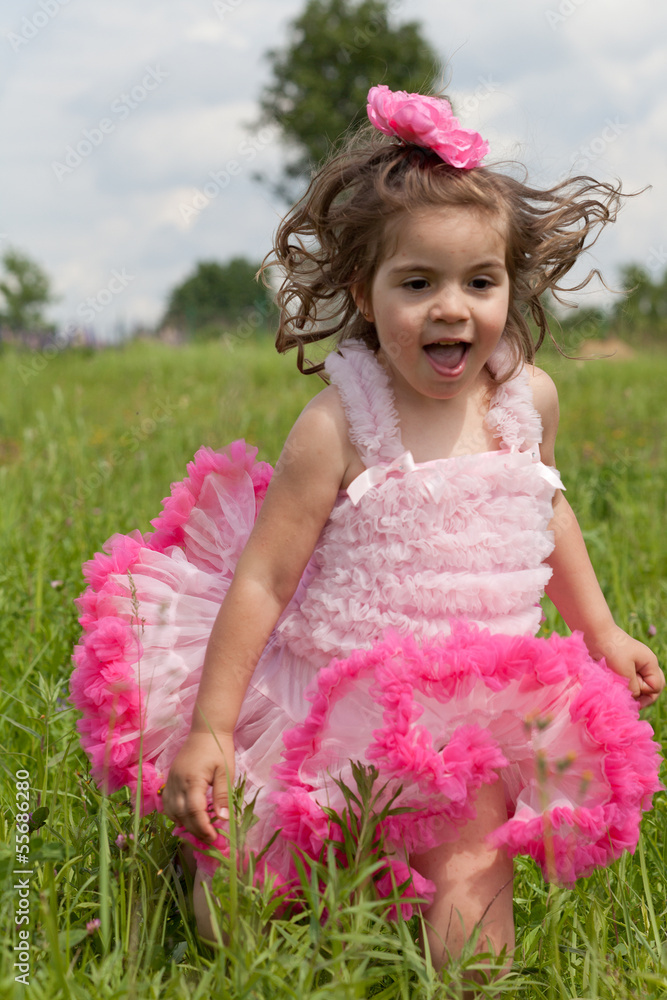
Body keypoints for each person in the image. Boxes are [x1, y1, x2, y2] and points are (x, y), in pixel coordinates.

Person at [71, 85, 664, 974]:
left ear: (510, 285)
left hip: (474, 708)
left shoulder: (525, 400)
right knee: (241, 906)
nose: (451, 308)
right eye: (417, 283)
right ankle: (244, 920)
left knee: (473, 906)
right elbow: (264, 579)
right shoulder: (340, 422)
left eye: (479, 282)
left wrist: (601, 629)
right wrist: (214, 728)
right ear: (365, 291)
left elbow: (544, 506)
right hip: (335, 701)